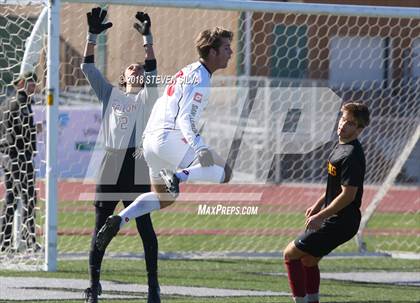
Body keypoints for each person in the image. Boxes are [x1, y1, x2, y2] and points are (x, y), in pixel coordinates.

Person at [95, 27, 234, 252]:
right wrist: (200, 148)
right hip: (168, 137)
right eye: (226, 48)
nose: (231, 52)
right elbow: (185, 119)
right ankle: (178, 175)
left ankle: (120, 219)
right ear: (212, 52)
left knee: (165, 197)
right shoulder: (200, 78)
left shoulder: (187, 71)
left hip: (150, 141)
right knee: (225, 172)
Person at [80, 7, 160, 303]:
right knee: (100, 227)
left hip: (137, 164)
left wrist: (147, 38)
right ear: (123, 76)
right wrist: (92, 36)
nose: (136, 69)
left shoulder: (147, 96)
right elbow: (87, 67)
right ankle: (93, 286)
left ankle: (153, 287)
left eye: (138, 67)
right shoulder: (109, 93)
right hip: (111, 162)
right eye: (131, 68)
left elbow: (152, 68)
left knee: (145, 226)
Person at [283, 102, 370, 303]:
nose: (343, 125)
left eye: (350, 123)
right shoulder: (341, 147)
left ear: (359, 129)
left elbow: (348, 195)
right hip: (339, 219)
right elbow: (336, 187)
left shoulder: (351, 155)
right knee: (308, 260)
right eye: (343, 119)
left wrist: (320, 216)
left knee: (290, 254)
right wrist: (318, 204)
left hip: (340, 221)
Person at [0, 71, 39, 253]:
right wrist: (33, 131)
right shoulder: (18, 103)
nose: (34, 86)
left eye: (34, 83)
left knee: (11, 199)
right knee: (28, 197)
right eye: (31, 83)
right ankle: (29, 241)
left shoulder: (18, 102)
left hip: (10, 156)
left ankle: (4, 242)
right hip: (16, 156)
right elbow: (14, 134)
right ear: (21, 83)